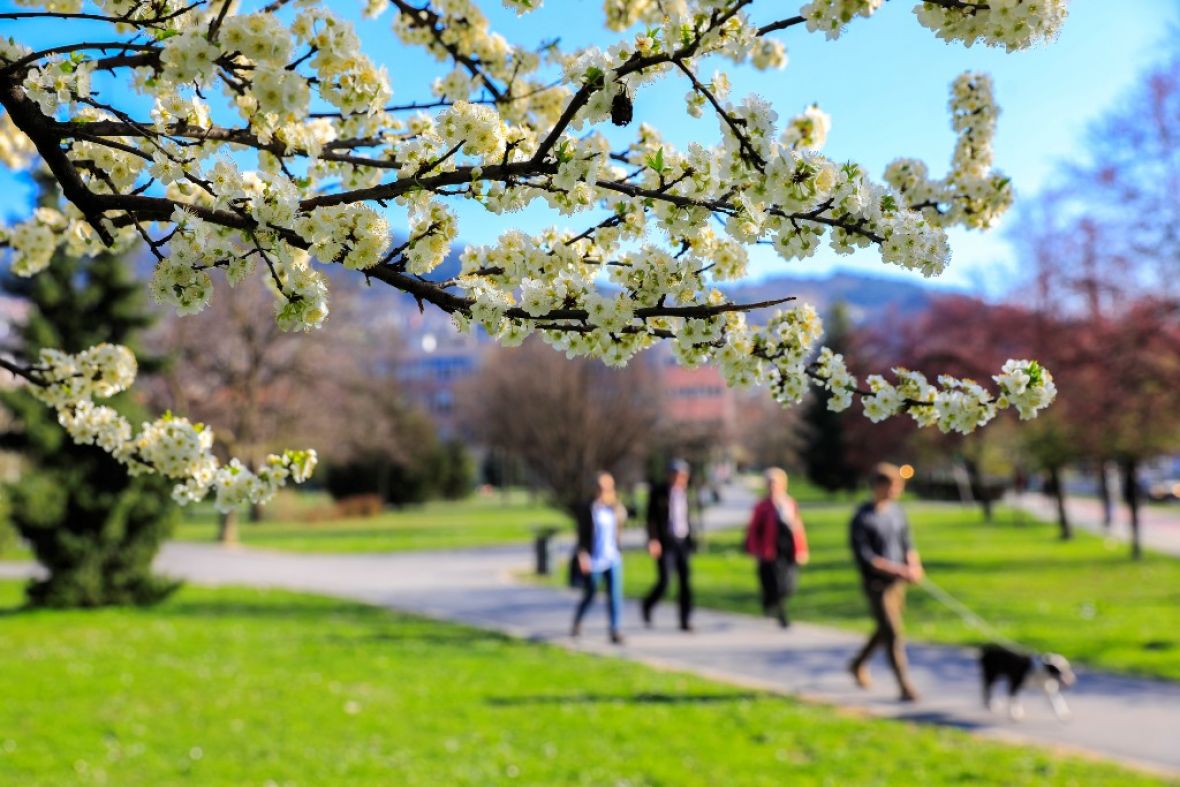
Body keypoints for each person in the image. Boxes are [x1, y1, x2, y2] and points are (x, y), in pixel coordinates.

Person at [848, 462, 924, 702]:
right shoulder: (862, 517)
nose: (896, 491)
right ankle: (904, 685)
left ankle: (857, 663)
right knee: (892, 633)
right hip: (877, 585)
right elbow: (867, 558)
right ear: (878, 486)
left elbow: (907, 543)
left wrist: (913, 565)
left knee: (884, 629)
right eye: (893, 486)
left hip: (897, 585)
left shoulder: (897, 512)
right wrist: (898, 570)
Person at [745, 467, 809, 628]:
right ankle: (780, 614)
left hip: (787, 549)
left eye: (776, 483)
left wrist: (802, 550)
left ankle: (776, 606)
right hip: (769, 550)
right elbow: (753, 529)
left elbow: (798, 528)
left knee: (788, 584)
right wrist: (754, 548)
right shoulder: (762, 506)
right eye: (770, 483)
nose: (773, 487)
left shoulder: (790, 503)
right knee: (772, 583)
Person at [572, 471, 627, 645]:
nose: (605, 490)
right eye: (601, 487)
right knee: (591, 594)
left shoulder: (615, 508)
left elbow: (622, 525)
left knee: (615, 596)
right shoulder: (589, 508)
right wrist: (582, 556)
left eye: (608, 487)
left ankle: (614, 629)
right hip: (594, 559)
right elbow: (581, 536)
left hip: (612, 557)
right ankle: (578, 620)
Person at [641, 459, 696, 632]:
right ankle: (648, 605)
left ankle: (684, 620)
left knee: (685, 582)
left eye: (683, 476)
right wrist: (652, 540)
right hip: (665, 542)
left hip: (682, 541)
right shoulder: (658, 493)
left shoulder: (686, 493)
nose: (680, 479)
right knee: (665, 580)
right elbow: (650, 519)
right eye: (677, 475)